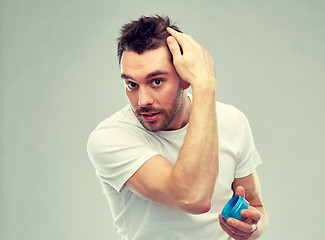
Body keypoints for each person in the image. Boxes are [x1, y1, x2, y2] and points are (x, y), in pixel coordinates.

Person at [87, 15, 268, 240]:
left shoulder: (232, 121)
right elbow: (192, 197)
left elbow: (257, 207)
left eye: (156, 81)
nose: (143, 100)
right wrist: (205, 84)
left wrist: (251, 228)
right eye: (131, 84)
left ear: (185, 78)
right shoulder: (110, 138)